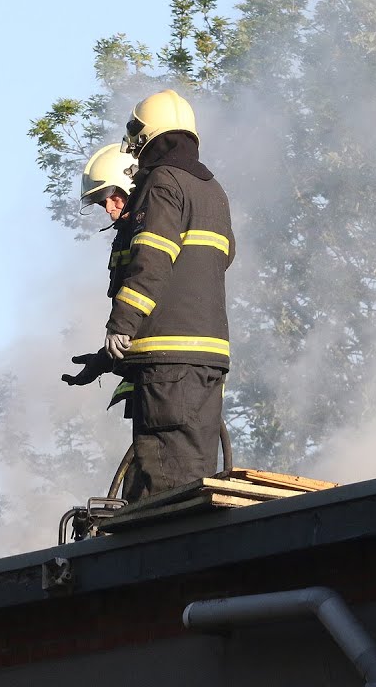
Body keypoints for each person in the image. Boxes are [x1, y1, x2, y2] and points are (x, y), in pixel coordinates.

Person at [102, 89, 235, 502]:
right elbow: (225, 256)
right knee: (192, 470)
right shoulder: (212, 190)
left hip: (167, 362)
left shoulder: (162, 182)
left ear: (148, 136)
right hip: (208, 357)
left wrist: (121, 324)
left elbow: (152, 261)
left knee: (163, 489)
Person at [61, 144, 138, 416]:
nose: (108, 208)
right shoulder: (126, 234)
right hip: (145, 371)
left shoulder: (150, 231)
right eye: (102, 202)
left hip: (165, 374)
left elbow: (149, 294)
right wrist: (104, 359)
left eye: (113, 197)